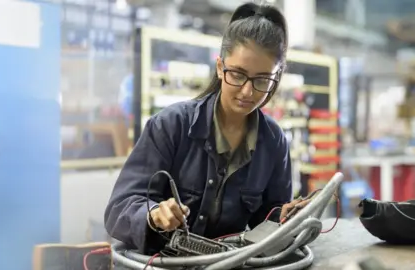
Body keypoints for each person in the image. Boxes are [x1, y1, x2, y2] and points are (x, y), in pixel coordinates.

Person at [104, 3, 311, 255]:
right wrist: (154, 214)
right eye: (238, 74)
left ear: (276, 79)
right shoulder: (171, 125)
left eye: (262, 80)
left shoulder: (274, 142)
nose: (247, 91)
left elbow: (266, 220)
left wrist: (283, 218)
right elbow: (119, 208)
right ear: (220, 67)